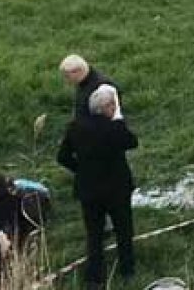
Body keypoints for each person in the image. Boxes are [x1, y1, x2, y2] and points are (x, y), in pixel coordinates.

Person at [57, 85, 137, 289]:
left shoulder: (75, 127)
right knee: (123, 229)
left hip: (89, 190)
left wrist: (81, 171)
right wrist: (119, 119)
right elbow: (131, 142)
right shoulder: (114, 128)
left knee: (94, 233)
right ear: (108, 107)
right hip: (116, 189)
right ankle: (127, 269)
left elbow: (62, 157)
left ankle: (95, 277)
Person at [59, 55, 118, 121]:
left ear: (77, 71)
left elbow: (105, 120)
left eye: (67, 76)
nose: (66, 80)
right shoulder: (83, 82)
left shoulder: (102, 89)